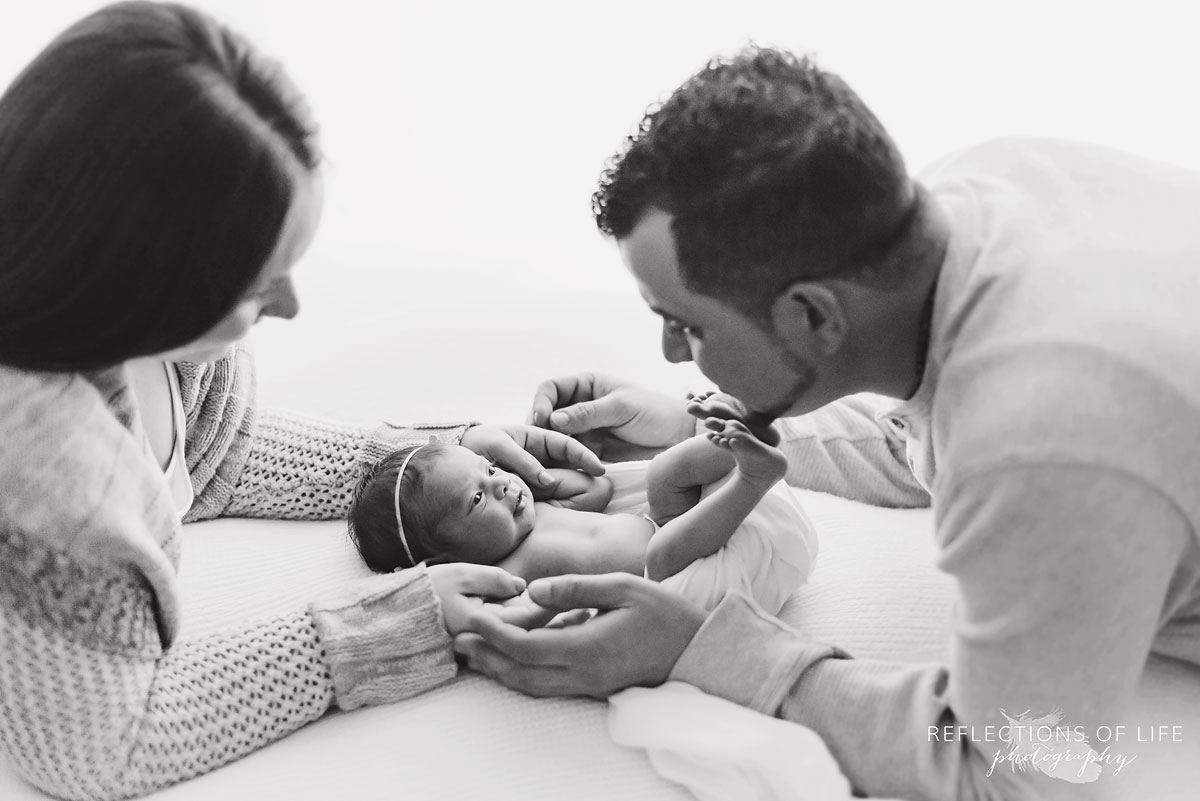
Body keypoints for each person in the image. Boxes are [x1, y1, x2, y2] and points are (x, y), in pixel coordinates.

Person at [454, 45, 1200, 800]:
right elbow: (930, 420)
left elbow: (1008, 771)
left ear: (813, 313)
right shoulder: (988, 182)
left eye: (685, 325)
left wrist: (700, 646)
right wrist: (708, 428)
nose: (670, 351)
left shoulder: (1046, 444)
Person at [0, 4, 600, 800]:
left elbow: (209, 461)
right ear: (139, 282)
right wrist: (386, 628)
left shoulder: (143, 335)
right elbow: (102, 745)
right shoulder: (43, 471)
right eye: (256, 285)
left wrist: (432, 461)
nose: (289, 308)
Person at [347, 393, 816, 614]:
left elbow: (601, 490)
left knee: (663, 474)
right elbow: (519, 620)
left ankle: (737, 435)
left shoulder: (537, 513)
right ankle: (753, 481)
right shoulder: (503, 580)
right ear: (445, 560)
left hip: (667, 524)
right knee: (660, 551)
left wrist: (543, 483)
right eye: (476, 499)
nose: (503, 486)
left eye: (490, 471)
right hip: (669, 578)